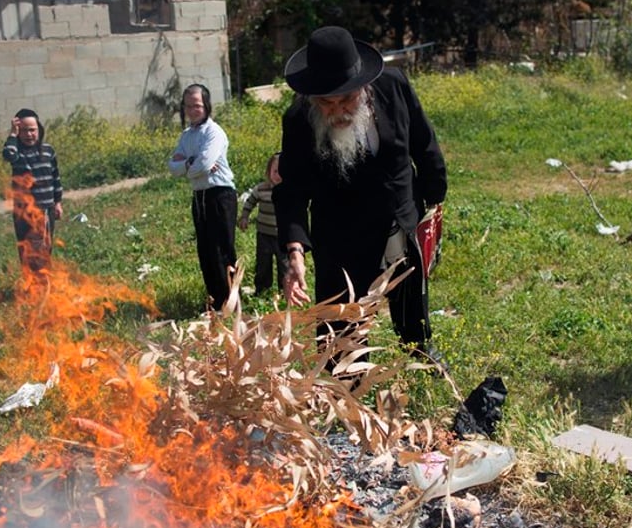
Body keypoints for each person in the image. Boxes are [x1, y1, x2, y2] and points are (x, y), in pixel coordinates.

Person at [274, 26, 447, 361]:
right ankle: (346, 388)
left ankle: (421, 353)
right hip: (341, 234)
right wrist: (294, 249)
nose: (339, 111)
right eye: (327, 102)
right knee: (340, 323)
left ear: (363, 86)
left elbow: (425, 147)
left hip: (400, 217)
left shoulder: (394, 87)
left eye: (347, 99)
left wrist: (432, 206)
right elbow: (292, 188)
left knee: (410, 299)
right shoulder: (298, 119)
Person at [168, 84, 237, 308]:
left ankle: (231, 301)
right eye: (188, 106)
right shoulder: (187, 135)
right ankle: (216, 300)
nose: (192, 109)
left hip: (220, 195)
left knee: (221, 250)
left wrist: (189, 163)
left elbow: (205, 164)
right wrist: (191, 163)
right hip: (199, 196)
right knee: (205, 250)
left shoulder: (213, 132)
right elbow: (173, 167)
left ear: (206, 105)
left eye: (196, 105)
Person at [2, 108, 63, 273]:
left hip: (45, 209)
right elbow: (8, 154)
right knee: (27, 247)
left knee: (44, 246)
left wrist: (57, 202)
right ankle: (30, 281)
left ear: (39, 130)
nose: (29, 134)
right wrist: (12, 135)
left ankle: (43, 280)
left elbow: (55, 178)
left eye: (32, 130)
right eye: (23, 131)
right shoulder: (18, 154)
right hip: (24, 212)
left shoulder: (48, 151)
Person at [238, 152, 287, 295]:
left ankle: (284, 291)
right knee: (263, 263)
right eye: (275, 171)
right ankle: (261, 289)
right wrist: (244, 217)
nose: (278, 175)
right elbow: (250, 202)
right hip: (264, 234)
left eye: (282, 171)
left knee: (284, 264)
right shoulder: (261, 189)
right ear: (269, 171)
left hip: (282, 236)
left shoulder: (288, 190)